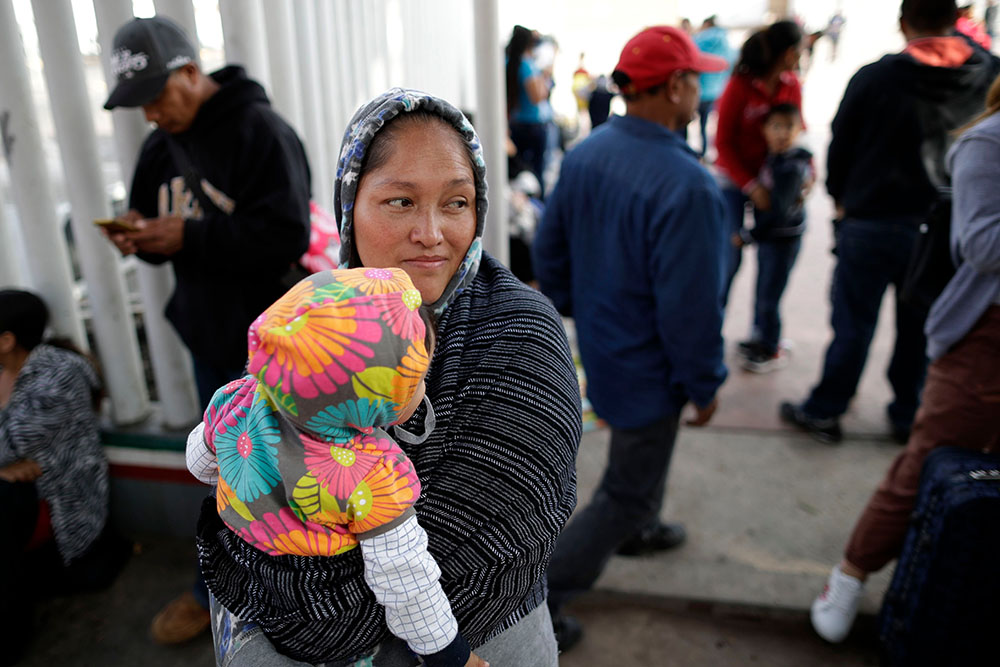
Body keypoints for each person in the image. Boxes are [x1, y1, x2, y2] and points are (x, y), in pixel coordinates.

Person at [190, 89, 581, 667]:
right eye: (400, 202)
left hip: (486, 631)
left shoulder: (520, 332)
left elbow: (483, 533)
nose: (432, 233)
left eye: (456, 203)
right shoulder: (317, 320)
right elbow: (227, 446)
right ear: (351, 208)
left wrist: (282, 579)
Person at [102, 15, 312, 644]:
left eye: (156, 98)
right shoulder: (159, 145)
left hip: (277, 341)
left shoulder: (261, 131)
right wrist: (140, 237)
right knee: (224, 465)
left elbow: (287, 237)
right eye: (136, 106)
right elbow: (154, 220)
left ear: (191, 73)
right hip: (206, 334)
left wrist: (188, 236)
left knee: (294, 466)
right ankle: (221, 587)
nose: (150, 116)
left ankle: (309, 590)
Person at [533, 26, 729, 652]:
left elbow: (549, 253)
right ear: (675, 87)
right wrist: (705, 383)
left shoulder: (588, 152)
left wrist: (583, 306)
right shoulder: (689, 184)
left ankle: (639, 527)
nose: (701, 86)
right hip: (653, 368)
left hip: (603, 347)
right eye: (696, 76)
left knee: (635, 470)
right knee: (623, 490)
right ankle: (542, 599)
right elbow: (691, 310)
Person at [190, 268, 486, 666]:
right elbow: (406, 582)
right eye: (417, 381)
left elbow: (200, 464)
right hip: (320, 616)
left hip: (238, 571)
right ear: (371, 402)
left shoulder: (238, 397)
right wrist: (452, 656)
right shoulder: (372, 473)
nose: (424, 388)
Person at [810, 71, 1000, 644]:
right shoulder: (985, 139)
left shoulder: (885, 77)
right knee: (924, 458)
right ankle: (850, 574)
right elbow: (981, 244)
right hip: (978, 331)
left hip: (877, 227)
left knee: (880, 355)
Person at [781, 0, 1000, 444]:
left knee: (853, 324)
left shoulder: (876, 77)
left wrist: (840, 200)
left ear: (903, 23)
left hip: (872, 221)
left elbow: (841, 146)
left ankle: (827, 410)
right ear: (955, 18)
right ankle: (908, 414)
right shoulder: (988, 73)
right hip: (945, 227)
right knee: (919, 327)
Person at [0, 290, 112, 664]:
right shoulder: (5, 371)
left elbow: (13, 440)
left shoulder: (59, 374)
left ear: (7, 340)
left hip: (55, 502)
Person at [714, 20, 804, 306]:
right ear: (790, 54)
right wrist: (752, 186)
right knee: (727, 258)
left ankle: (763, 335)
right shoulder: (739, 87)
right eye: (802, 51)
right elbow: (722, 144)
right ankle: (713, 327)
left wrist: (805, 175)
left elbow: (800, 131)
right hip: (735, 180)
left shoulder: (792, 87)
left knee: (775, 255)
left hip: (774, 180)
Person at [734, 103, 814, 372]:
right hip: (773, 239)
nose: (782, 133)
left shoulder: (792, 166)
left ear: (800, 129)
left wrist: (748, 235)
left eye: (788, 127)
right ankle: (762, 338)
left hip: (782, 239)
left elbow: (778, 211)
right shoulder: (777, 158)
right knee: (763, 291)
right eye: (776, 126)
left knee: (770, 296)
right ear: (764, 130)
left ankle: (771, 347)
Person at [506, 25, 554, 199]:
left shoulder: (507, 62)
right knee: (537, 170)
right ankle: (538, 207)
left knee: (519, 171)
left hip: (515, 122)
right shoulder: (527, 65)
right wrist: (545, 78)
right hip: (533, 124)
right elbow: (537, 97)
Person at [692, 15, 733, 158]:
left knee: (688, 123)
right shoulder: (726, 43)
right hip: (716, 92)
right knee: (706, 125)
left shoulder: (699, 39)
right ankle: (704, 152)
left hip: (699, 93)